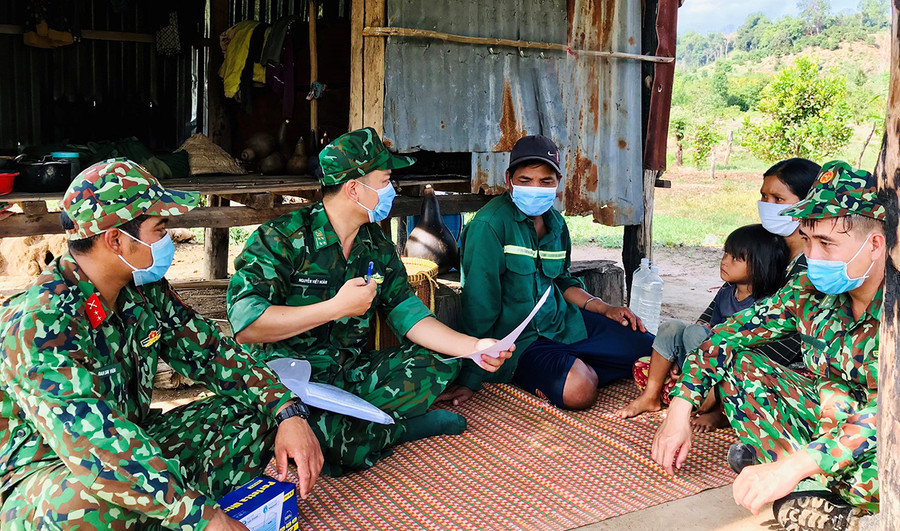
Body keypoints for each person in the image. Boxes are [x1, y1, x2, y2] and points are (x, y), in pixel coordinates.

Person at [0, 159, 323, 530]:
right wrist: (204, 517)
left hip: (128, 442)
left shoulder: (144, 290)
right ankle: (174, 511)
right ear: (116, 239)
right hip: (47, 477)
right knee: (88, 501)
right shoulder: (40, 323)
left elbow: (212, 353)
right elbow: (95, 447)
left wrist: (285, 410)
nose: (167, 239)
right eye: (159, 229)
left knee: (250, 413)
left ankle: (164, 511)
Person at [226, 127, 512, 475]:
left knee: (437, 361)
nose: (392, 190)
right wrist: (335, 308)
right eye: (385, 180)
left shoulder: (375, 243)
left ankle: (361, 421)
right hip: (288, 381)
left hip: (349, 371)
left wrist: (474, 346)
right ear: (353, 188)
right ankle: (398, 429)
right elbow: (247, 326)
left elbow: (406, 311)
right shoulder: (280, 239)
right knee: (323, 437)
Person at [651, 161, 884, 530]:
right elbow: (723, 338)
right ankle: (815, 495)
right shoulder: (808, 292)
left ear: (874, 244)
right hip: (829, 417)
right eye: (808, 240)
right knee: (738, 361)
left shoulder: (895, 309)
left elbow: (889, 411)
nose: (814, 256)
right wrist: (679, 410)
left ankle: (818, 492)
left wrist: (794, 465)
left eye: (827, 243)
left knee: (878, 470)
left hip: (880, 432)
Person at [440, 135, 654, 410]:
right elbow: (478, 306)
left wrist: (603, 309)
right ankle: (572, 369)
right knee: (579, 391)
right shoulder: (489, 226)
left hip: (564, 324)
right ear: (508, 180)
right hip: (520, 344)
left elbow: (562, 280)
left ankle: (576, 363)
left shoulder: (556, 225)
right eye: (525, 180)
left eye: (545, 181)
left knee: (651, 348)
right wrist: (472, 374)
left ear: (558, 183)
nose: (535, 188)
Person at [615, 224, 789, 422]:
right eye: (725, 254)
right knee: (672, 327)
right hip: (701, 364)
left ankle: (718, 409)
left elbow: (750, 349)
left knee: (696, 334)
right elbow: (709, 329)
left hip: (730, 375)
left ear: (760, 266)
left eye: (735, 258)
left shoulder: (765, 304)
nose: (724, 261)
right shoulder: (725, 293)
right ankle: (650, 396)